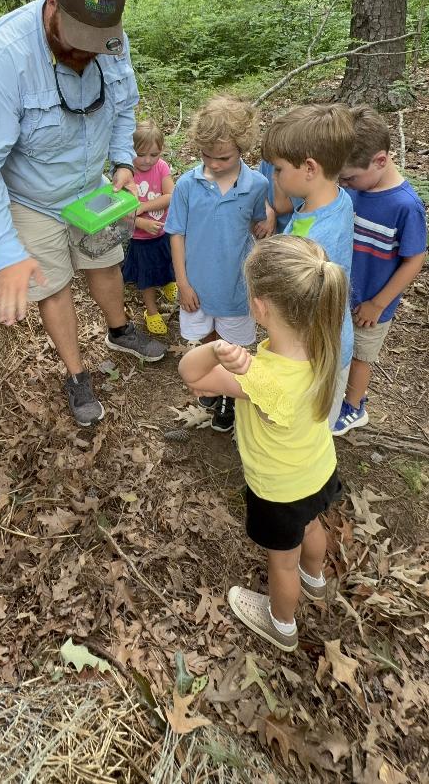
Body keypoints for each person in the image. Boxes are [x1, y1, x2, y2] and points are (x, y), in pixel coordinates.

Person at [0, 0, 165, 428]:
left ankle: (119, 330)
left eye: (96, 44)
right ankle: (76, 375)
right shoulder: (3, 59)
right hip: (31, 197)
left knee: (105, 259)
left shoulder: (110, 39)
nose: (85, 53)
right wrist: (6, 250)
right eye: (77, 42)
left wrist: (124, 161)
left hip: (89, 183)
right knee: (53, 283)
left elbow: (124, 104)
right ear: (52, 5)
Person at [179, 236, 347, 652]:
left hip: (279, 491)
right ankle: (317, 579)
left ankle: (281, 623)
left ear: (259, 307)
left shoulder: (261, 378)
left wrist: (216, 350)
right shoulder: (325, 346)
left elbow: (192, 376)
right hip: (317, 470)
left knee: (281, 562)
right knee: (312, 526)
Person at [165, 95, 268, 432]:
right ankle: (212, 379)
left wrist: (266, 219)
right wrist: (182, 282)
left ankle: (230, 397)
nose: (214, 163)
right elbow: (176, 233)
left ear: (243, 148)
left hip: (236, 286)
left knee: (235, 343)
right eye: (206, 155)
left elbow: (257, 221)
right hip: (197, 283)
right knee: (209, 336)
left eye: (223, 157)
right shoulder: (186, 185)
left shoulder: (257, 185)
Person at [261, 103, 355, 431]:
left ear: (310, 168)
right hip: (325, 345)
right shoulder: (333, 200)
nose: (274, 176)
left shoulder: (318, 237)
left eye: (278, 169)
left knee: (306, 435)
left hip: (316, 357)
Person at [334, 106, 427, 434]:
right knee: (339, 346)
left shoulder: (404, 206)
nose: (344, 182)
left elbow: (414, 260)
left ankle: (354, 405)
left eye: (349, 176)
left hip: (372, 302)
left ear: (381, 160)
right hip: (342, 291)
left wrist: (378, 303)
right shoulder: (354, 187)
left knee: (361, 354)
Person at [121, 120, 177, 335]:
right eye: (141, 154)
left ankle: (168, 282)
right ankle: (151, 312)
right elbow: (121, 212)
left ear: (160, 151)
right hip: (140, 240)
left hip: (163, 232)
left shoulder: (161, 167)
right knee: (147, 277)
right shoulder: (126, 174)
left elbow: (170, 195)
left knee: (167, 261)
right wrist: (141, 222)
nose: (147, 160)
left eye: (153, 154)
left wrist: (142, 206)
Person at [254, 159, 304, 238]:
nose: (273, 176)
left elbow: (281, 207)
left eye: (278, 169)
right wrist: (267, 209)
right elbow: (258, 187)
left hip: (292, 235)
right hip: (270, 230)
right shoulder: (268, 158)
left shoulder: (299, 164)